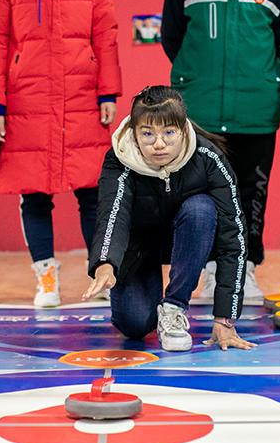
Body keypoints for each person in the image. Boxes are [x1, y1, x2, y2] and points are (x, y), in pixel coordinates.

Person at [0, 0, 122, 307]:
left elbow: (106, 34)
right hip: (27, 101)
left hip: (80, 96)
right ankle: (46, 278)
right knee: (34, 192)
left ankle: (99, 273)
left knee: (92, 190)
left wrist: (108, 92)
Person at [161, 0, 280, 304]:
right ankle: (208, 267)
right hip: (198, 111)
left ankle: (246, 269)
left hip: (256, 108)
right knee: (198, 194)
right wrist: (196, 77)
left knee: (252, 193)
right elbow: (172, 38)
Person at [84, 87, 255, 353]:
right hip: (138, 245)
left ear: (184, 131)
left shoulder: (208, 158)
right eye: (148, 133)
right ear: (134, 133)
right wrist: (105, 263)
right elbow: (112, 215)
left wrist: (226, 317)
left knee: (201, 208)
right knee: (135, 324)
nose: (159, 143)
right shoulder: (119, 159)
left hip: (190, 238)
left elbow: (234, 236)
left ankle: (174, 307)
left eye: (169, 133)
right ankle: (146, 302)